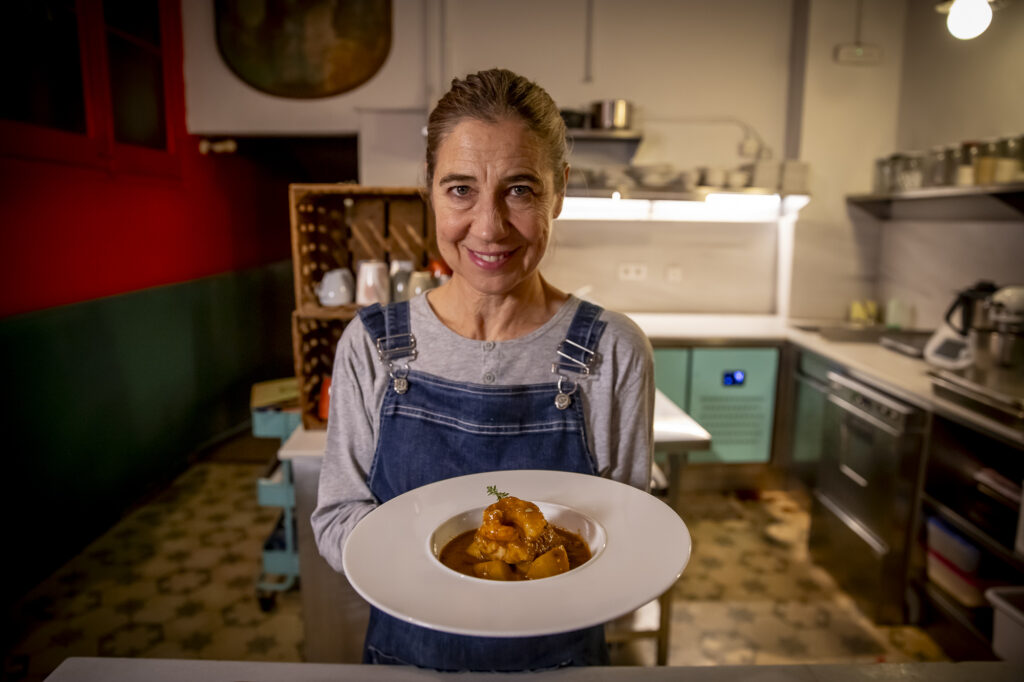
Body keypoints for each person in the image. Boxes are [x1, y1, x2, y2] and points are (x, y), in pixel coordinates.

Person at [311, 68, 655, 672]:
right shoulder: (371, 346)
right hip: (409, 660)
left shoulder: (614, 351)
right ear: (429, 189)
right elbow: (339, 518)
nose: (490, 227)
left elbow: (621, 535)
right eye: (461, 189)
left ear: (560, 192)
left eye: (520, 189)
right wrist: (447, 576)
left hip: (561, 664)